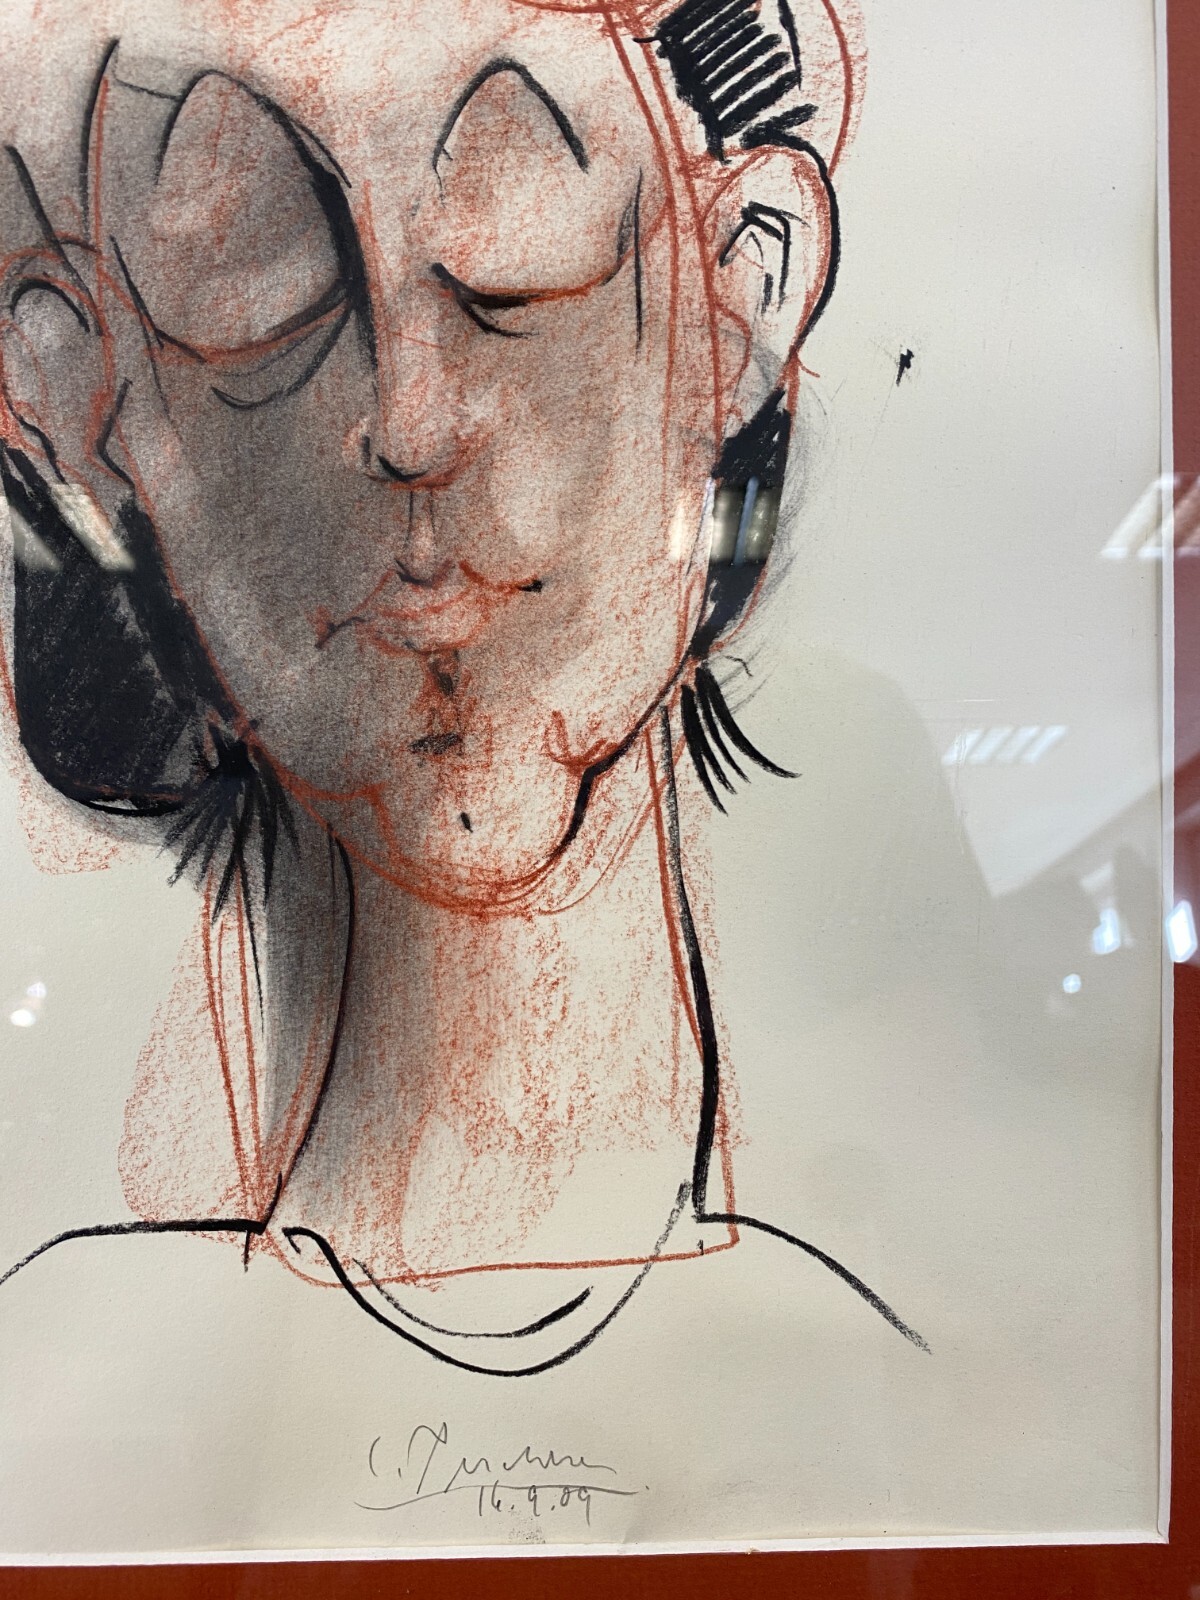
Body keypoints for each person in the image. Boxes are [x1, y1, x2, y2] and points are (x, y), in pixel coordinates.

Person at [0, 0, 922, 1371]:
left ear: (740, 291)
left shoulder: (897, 1373)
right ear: (76, 394)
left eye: (514, 246)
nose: (411, 416)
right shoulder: (67, 1372)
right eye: (251, 282)